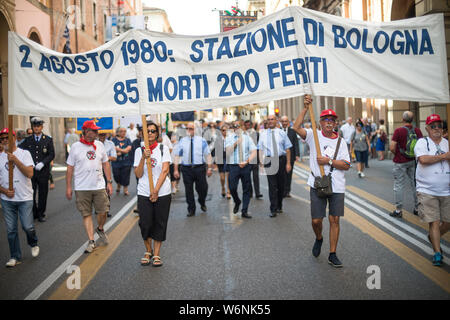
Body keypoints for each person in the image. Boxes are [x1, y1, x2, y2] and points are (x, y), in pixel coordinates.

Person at [293, 95, 351, 268]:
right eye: (325, 119)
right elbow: (296, 127)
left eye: (331, 120)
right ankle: (319, 238)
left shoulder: (342, 142)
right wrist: (305, 107)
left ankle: (332, 254)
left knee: (334, 219)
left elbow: (347, 165)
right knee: (316, 221)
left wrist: (328, 161)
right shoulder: (313, 135)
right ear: (320, 122)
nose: (328, 123)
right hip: (317, 183)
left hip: (337, 185)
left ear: (335, 123)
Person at [66, 120, 113, 253]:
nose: (97, 133)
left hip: (99, 185)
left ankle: (100, 228)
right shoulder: (75, 147)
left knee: (103, 211)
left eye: (97, 131)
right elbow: (69, 168)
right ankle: (91, 241)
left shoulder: (99, 145)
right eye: (94, 130)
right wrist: (69, 187)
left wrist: (109, 182)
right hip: (82, 187)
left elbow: (106, 164)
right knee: (86, 214)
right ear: (86, 132)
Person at [134, 121, 172, 267]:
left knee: (159, 223)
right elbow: (138, 174)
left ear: (157, 134)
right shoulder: (139, 151)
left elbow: (165, 170)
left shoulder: (163, 149)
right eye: (147, 131)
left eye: (152, 131)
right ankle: (148, 250)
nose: (150, 133)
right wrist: (144, 157)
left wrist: (155, 190)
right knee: (145, 223)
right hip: (144, 192)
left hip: (162, 192)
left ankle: (156, 254)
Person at [414, 114, 450, 267]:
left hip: (446, 190)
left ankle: (433, 237)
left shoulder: (447, 143)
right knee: (434, 222)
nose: (437, 129)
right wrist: (444, 156)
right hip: (427, 190)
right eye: (433, 126)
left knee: (448, 222)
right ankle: (437, 252)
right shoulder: (422, 142)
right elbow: (423, 159)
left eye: (439, 126)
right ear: (427, 128)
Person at [0, 128, 39, 267]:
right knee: (11, 230)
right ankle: (15, 256)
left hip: (25, 198)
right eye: (2, 138)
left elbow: (29, 173)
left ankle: (33, 242)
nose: (5, 140)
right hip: (7, 200)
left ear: (14, 138)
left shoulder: (24, 154)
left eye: (7, 137)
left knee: (27, 227)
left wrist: (15, 159)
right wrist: (5, 191)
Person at [20, 117, 55, 223]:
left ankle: (41, 213)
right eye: (34, 126)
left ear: (42, 127)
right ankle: (34, 212)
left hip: (43, 171)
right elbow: (20, 151)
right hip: (31, 172)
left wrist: (43, 163)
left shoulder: (48, 139)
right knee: (31, 193)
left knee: (43, 194)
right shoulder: (28, 140)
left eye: (38, 126)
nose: (36, 128)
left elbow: (51, 154)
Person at [173, 122, 213, 217]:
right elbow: (177, 155)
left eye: (191, 128)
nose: (189, 130)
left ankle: (202, 201)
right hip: (186, 169)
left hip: (199, 168)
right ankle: (191, 209)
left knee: (203, 188)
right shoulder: (182, 141)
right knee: (189, 190)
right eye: (187, 128)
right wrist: (175, 170)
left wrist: (210, 168)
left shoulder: (202, 141)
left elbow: (208, 154)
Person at [389, 111, 423, 218]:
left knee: (399, 185)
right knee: (415, 184)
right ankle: (417, 208)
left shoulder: (398, 131)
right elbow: (421, 146)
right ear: (412, 120)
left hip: (400, 162)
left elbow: (392, 147)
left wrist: (398, 154)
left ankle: (398, 210)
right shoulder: (417, 131)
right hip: (413, 161)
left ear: (403, 119)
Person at [258, 114, 292, 217]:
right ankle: (273, 208)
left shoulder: (281, 133)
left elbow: (287, 149)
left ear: (276, 121)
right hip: (269, 160)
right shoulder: (263, 134)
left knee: (281, 185)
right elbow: (260, 149)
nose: (270, 121)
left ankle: (279, 205)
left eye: (272, 119)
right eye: (268, 120)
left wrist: (288, 163)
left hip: (281, 160)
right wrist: (261, 162)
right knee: (272, 186)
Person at [225, 123, 257, 219]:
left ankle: (244, 211)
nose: (236, 129)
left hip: (245, 166)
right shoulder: (229, 138)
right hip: (233, 166)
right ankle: (237, 201)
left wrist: (247, 162)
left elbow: (254, 151)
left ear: (241, 128)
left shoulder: (247, 138)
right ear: (233, 129)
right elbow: (227, 152)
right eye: (234, 127)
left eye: (238, 127)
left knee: (246, 189)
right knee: (232, 187)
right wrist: (236, 143)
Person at [280, 116, 300, 198]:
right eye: (283, 121)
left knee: (289, 174)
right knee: (282, 174)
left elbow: (295, 143)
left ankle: (287, 191)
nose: (284, 123)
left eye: (286, 121)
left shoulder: (292, 131)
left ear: (288, 122)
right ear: (281, 122)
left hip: (291, 156)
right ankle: (282, 190)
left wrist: (297, 154)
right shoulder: (278, 131)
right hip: (281, 157)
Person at [99, 132, 117, 218]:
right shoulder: (93, 143)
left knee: (107, 189)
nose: (102, 136)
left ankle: (106, 209)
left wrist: (104, 158)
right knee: (97, 189)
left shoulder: (110, 144)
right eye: (100, 134)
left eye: (103, 134)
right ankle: (98, 208)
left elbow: (114, 157)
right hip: (94, 170)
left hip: (106, 168)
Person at [244, 120, 262, 199]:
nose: (247, 127)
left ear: (251, 126)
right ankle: (250, 193)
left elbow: (259, 147)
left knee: (255, 176)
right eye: (246, 125)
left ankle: (257, 193)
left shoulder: (257, 134)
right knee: (247, 177)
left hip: (255, 158)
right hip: (247, 158)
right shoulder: (243, 135)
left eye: (249, 125)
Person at [112, 127, 133, 196]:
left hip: (126, 162)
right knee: (116, 175)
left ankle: (125, 189)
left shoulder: (128, 140)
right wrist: (123, 151)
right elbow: (112, 149)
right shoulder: (114, 140)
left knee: (126, 176)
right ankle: (118, 184)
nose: (123, 133)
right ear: (118, 132)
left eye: (124, 131)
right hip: (116, 162)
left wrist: (118, 150)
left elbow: (128, 149)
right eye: (121, 131)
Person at [215, 123, 231, 199]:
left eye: (226, 130)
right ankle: (223, 188)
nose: (225, 132)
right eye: (223, 130)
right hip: (220, 158)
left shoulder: (230, 138)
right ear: (221, 131)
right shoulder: (218, 139)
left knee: (228, 175)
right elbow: (216, 149)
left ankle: (228, 191)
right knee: (222, 177)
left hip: (228, 158)